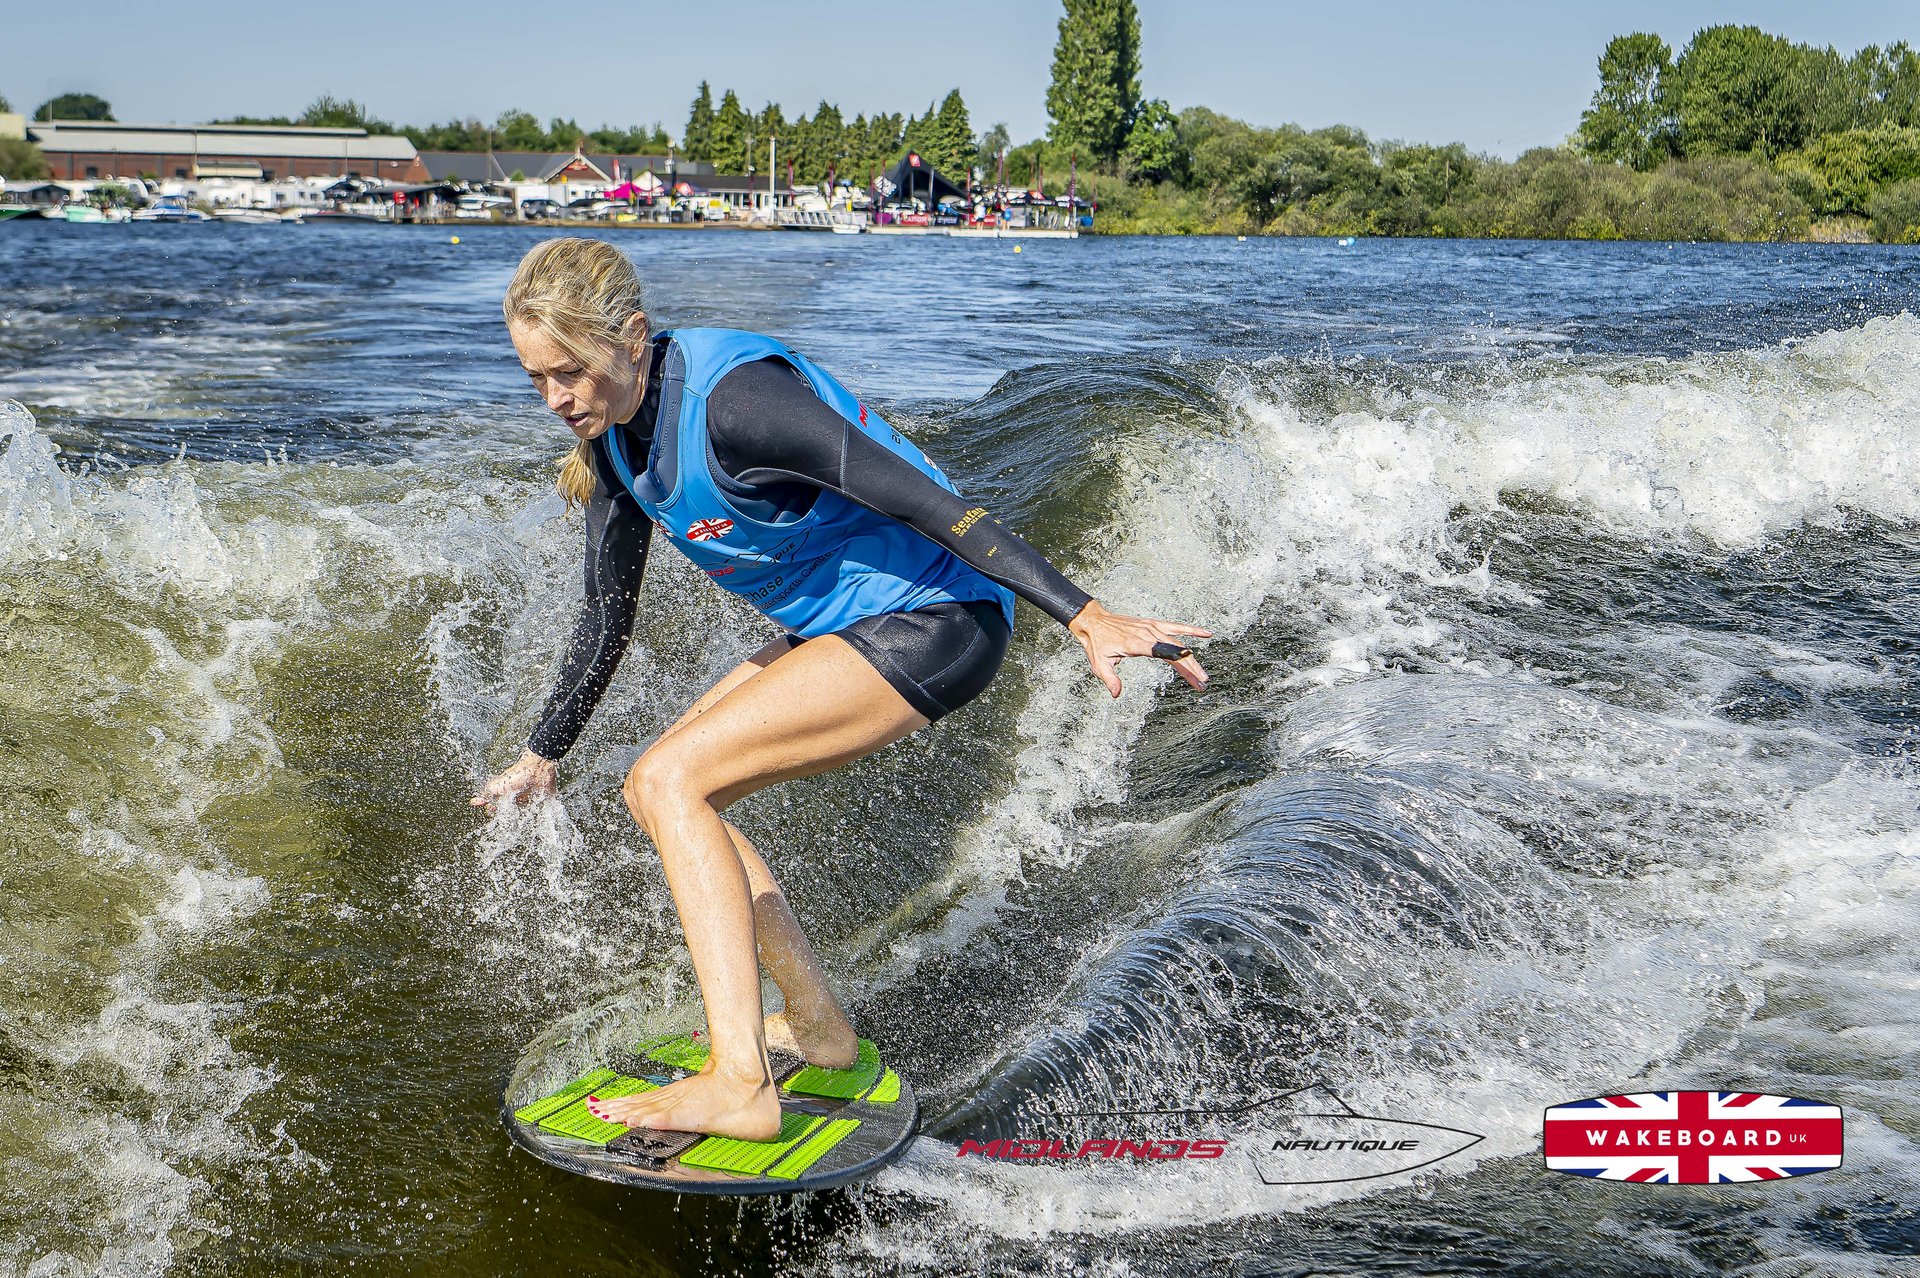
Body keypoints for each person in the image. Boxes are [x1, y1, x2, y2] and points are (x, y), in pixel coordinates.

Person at [472, 238, 1211, 1142]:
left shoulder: (738, 404)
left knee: (676, 782)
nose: (556, 399)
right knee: (656, 792)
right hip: (845, 629)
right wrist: (541, 754)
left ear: (631, 337)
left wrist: (1084, 613)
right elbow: (606, 615)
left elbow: (927, 504)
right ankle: (818, 1029)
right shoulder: (613, 444)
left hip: (939, 617)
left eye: (570, 371)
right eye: (537, 379)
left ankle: (741, 1081)